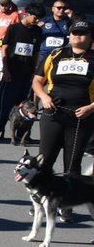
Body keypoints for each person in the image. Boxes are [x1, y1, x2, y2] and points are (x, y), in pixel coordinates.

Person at [33, 18, 94, 176]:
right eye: (75, 32)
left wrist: (90, 108)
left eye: (83, 33)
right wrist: (44, 97)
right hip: (53, 113)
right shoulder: (56, 54)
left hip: (81, 118)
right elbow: (37, 82)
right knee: (44, 162)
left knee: (72, 167)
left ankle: (71, 200)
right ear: (69, 35)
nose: (78, 36)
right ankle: (44, 198)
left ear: (90, 37)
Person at [0, 1, 44, 141]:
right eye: (35, 17)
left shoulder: (37, 31)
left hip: (27, 74)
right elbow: (5, 49)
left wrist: (35, 71)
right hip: (11, 73)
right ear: (27, 14)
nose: (37, 21)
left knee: (23, 105)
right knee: (3, 104)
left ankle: (20, 134)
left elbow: (36, 52)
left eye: (39, 18)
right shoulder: (13, 29)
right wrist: (5, 69)